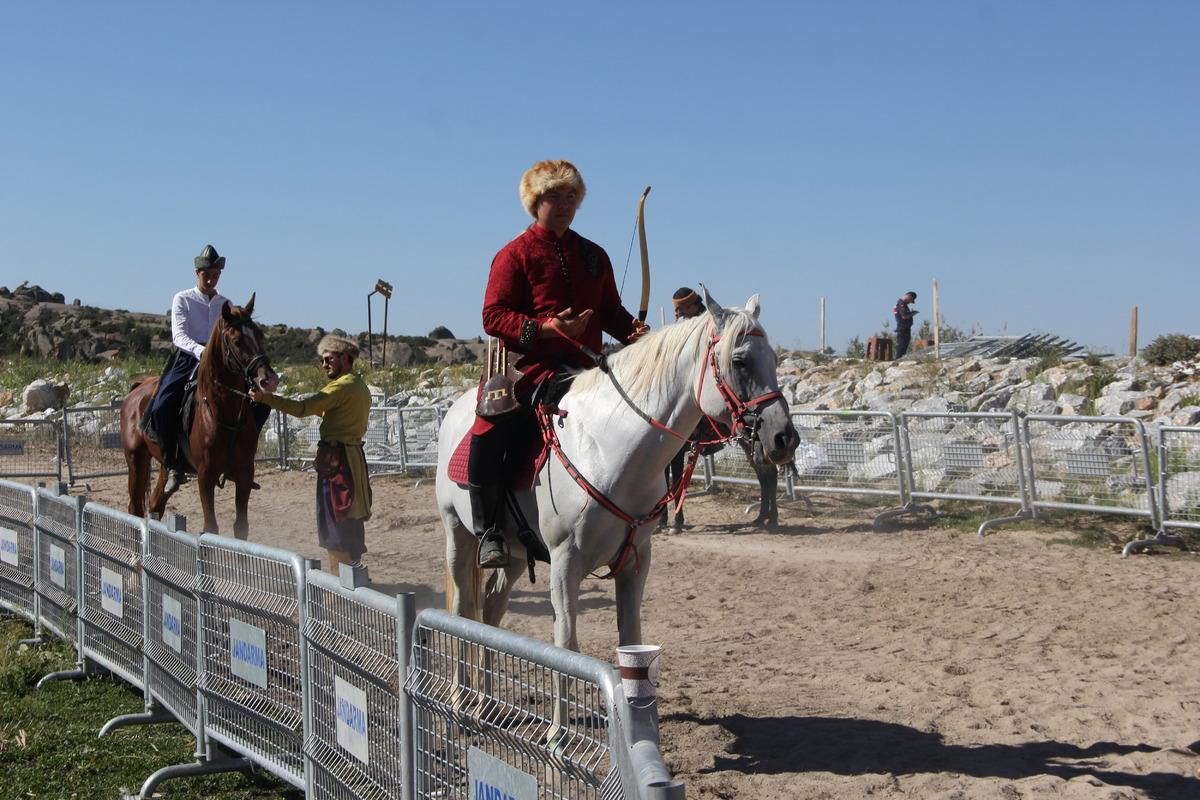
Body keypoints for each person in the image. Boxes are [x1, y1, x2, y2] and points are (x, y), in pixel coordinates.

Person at [471, 159, 649, 568]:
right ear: (536, 202)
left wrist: (635, 332)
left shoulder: (593, 255)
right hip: (527, 367)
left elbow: (610, 311)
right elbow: (493, 316)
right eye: (555, 196)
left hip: (586, 367)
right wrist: (545, 330)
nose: (566, 204)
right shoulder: (513, 255)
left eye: (572, 196)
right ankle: (490, 530)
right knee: (490, 430)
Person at [146, 244, 273, 493]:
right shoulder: (182, 298)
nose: (211, 278)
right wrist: (200, 351)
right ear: (197, 273)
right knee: (162, 405)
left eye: (215, 274)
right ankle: (173, 463)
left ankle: (241, 459)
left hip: (222, 361)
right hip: (188, 358)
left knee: (261, 403)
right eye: (207, 274)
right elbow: (178, 335)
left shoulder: (225, 303)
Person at [250, 336, 372, 574]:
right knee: (349, 522)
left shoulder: (341, 386)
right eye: (322, 360)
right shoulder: (358, 385)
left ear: (344, 358)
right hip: (352, 459)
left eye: (329, 359)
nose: (324, 364)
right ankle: (354, 580)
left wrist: (266, 398)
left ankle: (339, 586)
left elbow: (303, 408)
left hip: (338, 463)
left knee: (335, 523)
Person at [893, 291, 919, 359]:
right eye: (911, 300)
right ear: (909, 296)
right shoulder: (901, 304)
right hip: (903, 328)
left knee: (903, 345)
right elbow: (904, 316)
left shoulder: (901, 304)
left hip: (903, 328)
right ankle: (898, 360)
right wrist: (913, 313)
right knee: (902, 345)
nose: (910, 302)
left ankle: (900, 359)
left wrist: (910, 313)